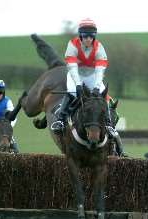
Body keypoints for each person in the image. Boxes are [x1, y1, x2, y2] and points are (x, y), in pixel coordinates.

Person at [50, 18, 126, 156]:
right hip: (75, 74)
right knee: (73, 92)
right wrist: (78, 84)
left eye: (91, 36)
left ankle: (108, 124)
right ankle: (60, 120)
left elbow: (100, 70)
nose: (88, 39)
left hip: (92, 75)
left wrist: (97, 87)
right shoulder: (72, 45)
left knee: (103, 94)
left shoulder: (99, 47)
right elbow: (72, 67)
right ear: (80, 35)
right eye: (85, 36)